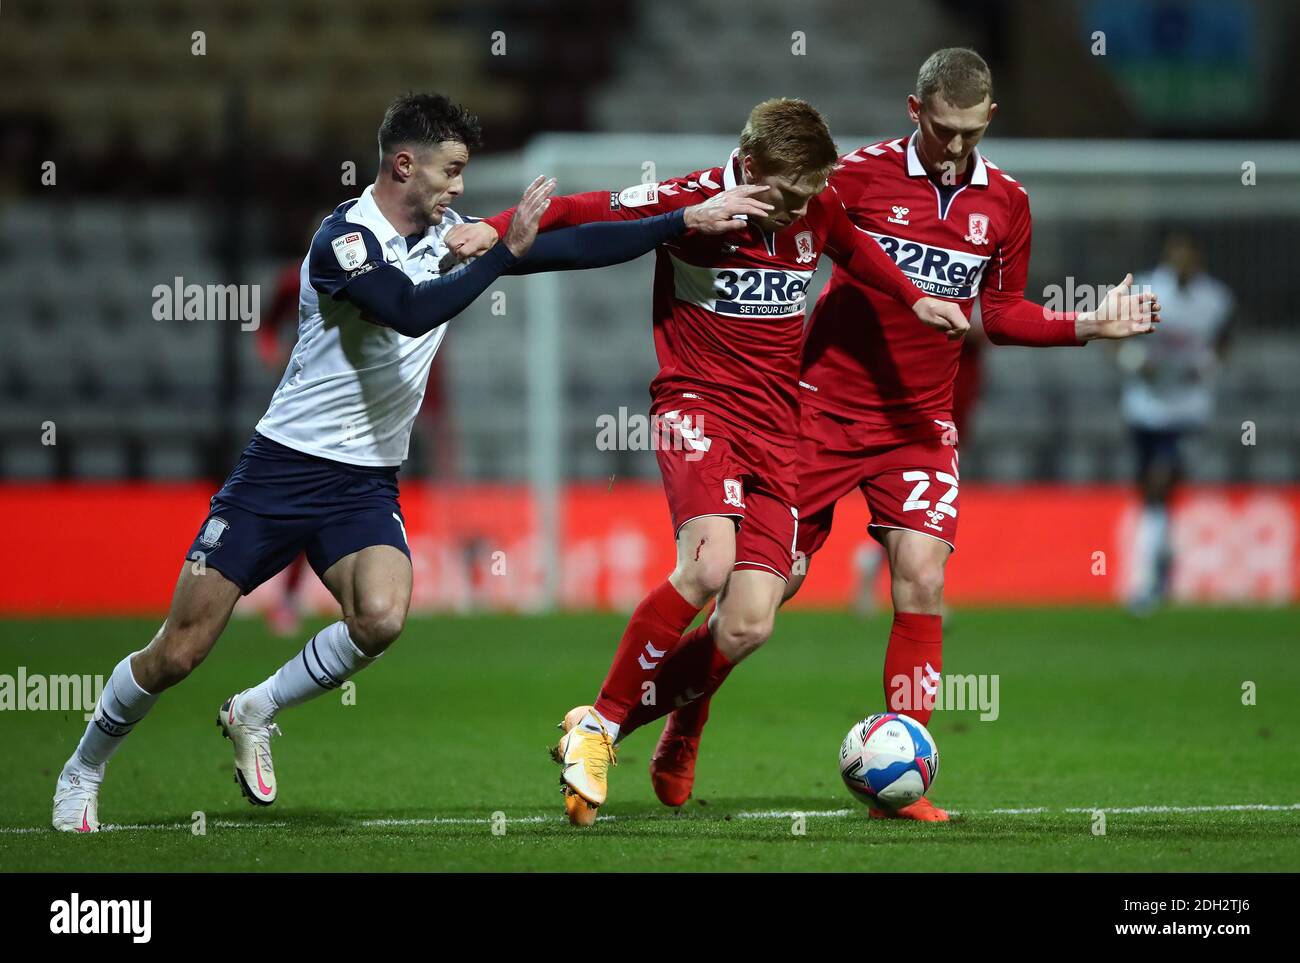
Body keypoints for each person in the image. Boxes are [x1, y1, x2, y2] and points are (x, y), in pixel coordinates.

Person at [52, 92, 769, 832]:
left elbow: (570, 249)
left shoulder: (451, 233)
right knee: (181, 648)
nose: (461, 188)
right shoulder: (344, 240)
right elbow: (409, 310)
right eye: (451, 171)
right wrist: (504, 254)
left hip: (364, 478)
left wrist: (680, 222)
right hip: (282, 468)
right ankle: (84, 767)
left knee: (382, 615)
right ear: (405, 164)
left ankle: (257, 707)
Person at [626, 48, 1162, 822]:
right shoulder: (857, 176)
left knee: (924, 575)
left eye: (971, 133)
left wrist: (1086, 323)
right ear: (916, 112)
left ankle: (903, 768)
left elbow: (1001, 315)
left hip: (918, 424)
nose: (955, 148)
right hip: (813, 411)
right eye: (943, 130)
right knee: (757, 609)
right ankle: (680, 715)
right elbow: (784, 240)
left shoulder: (1007, 202)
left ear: (990, 121)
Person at [451, 97, 972, 824]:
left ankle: (678, 722)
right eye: (792, 193)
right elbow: (583, 210)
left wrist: (914, 298)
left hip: (777, 428)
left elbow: (853, 246)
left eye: (814, 193)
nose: (804, 209)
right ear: (752, 168)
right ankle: (599, 727)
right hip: (695, 408)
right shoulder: (696, 203)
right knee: (706, 564)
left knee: (749, 623)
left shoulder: (814, 209)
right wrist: (492, 228)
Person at [1120, 232, 1232, 613]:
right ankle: (1163, 562)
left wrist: (1208, 365)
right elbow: (1115, 338)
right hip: (1145, 405)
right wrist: (1135, 362)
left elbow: (1225, 339)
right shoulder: (1147, 288)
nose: (1182, 266)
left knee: (1161, 481)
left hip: (1188, 410)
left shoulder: (1214, 298)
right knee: (1151, 493)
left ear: (1197, 263)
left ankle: (1144, 583)